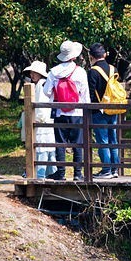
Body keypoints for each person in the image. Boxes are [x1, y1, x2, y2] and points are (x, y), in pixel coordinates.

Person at [43, 40, 89, 181]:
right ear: (74, 57)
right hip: (76, 112)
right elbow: (85, 94)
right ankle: (77, 173)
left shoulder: (54, 72)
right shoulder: (80, 72)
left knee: (60, 143)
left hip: (59, 111)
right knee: (77, 144)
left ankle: (61, 173)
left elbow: (46, 91)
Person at [87, 43, 121, 178]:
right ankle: (115, 169)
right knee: (113, 139)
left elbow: (90, 94)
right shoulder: (114, 69)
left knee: (103, 141)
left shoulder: (93, 71)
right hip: (113, 108)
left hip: (98, 110)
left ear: (91, 56)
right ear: (104, 54)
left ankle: (106, 169)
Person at [23, 60, 58, 179]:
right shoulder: (44, 84)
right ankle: (48, 172)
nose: (32, 75)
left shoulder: (41, 85)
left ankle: (40, 174)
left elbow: (41, 106)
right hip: (47, 120)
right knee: (47, 148)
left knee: (42, 148)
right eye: (31, 73)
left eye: (34, 73)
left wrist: (37, 119)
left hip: (43, 121)